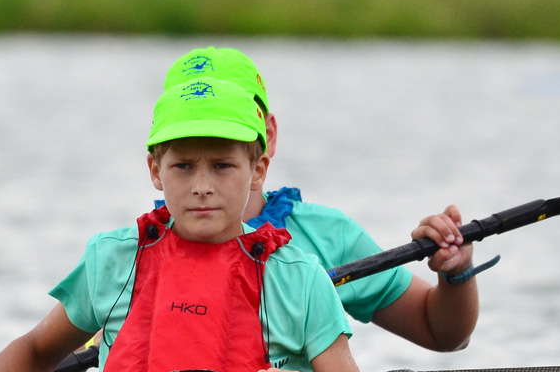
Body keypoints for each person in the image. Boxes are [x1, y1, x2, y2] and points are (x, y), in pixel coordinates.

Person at [0, 76, 393, 372]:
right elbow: (38, 351)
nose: (202, 186)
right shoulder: (115, 259)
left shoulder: (299, 278)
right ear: (155, 171)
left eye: (223, 165)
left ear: (257, 169)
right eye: (183, 166)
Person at [163, 47, 481, 353]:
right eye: (186, 156)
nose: (202, 184)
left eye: (222, 135)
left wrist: (457, 272)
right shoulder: (133, 255)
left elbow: (441, 332)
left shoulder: (329, 237)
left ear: (268, 136)